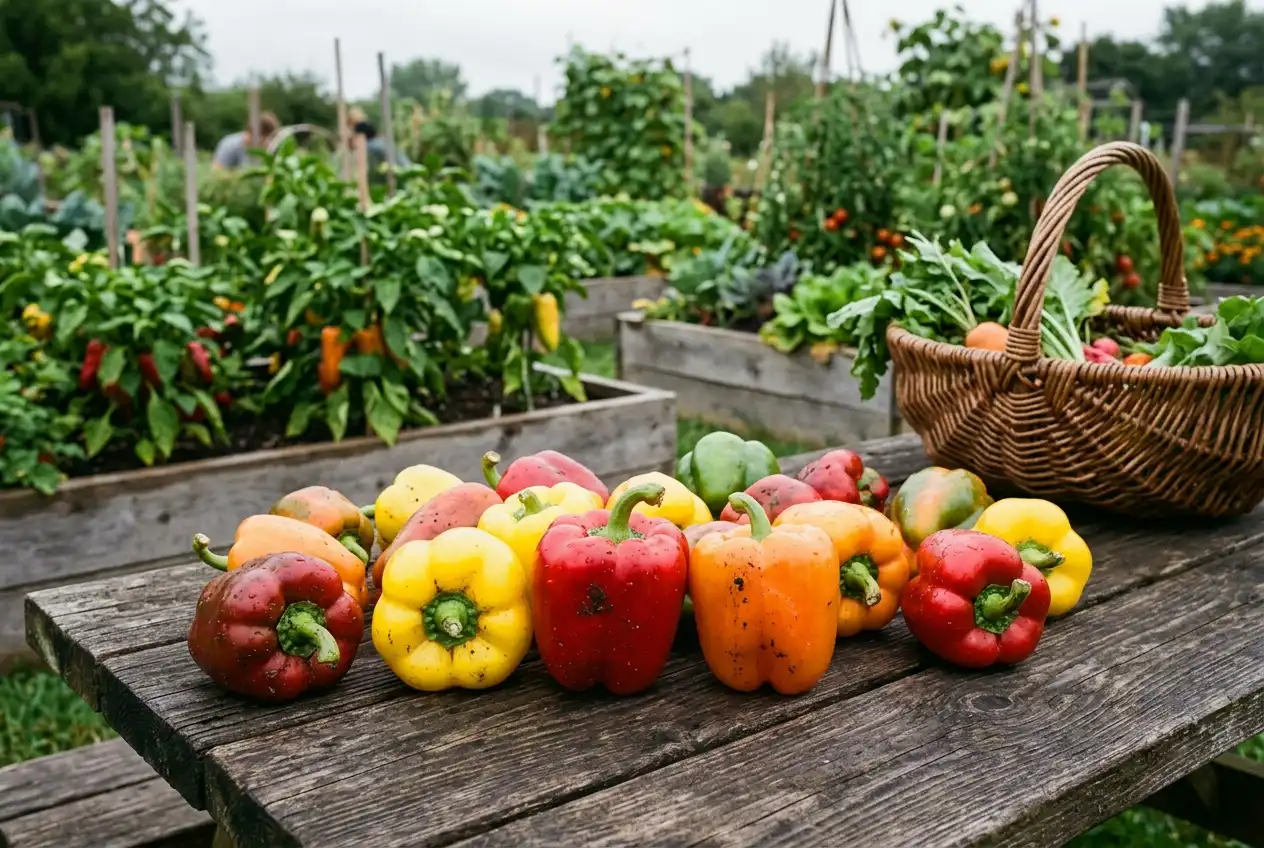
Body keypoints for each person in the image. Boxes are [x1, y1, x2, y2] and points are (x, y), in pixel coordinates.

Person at [346, 106, 409, 180]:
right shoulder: (358, 126)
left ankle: (404, 168)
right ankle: (405, 168)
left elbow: (369, 135)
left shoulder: (361, 126)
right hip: (373, 145)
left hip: (372, 144)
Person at [212, 112, 280, 171]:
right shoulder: (230, 145)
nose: (267, 144)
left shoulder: (269, 150)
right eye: (266, 140)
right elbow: (217, 171)